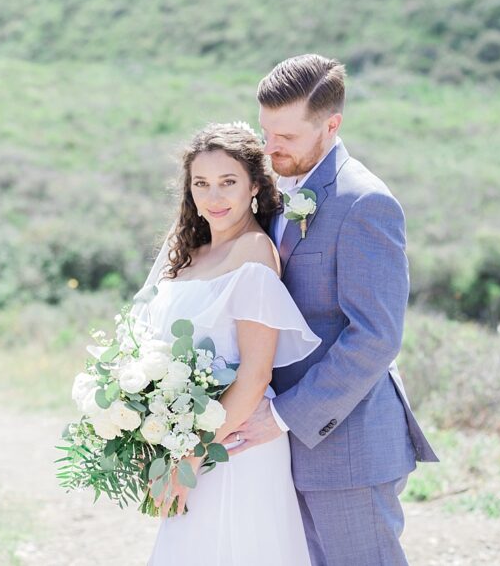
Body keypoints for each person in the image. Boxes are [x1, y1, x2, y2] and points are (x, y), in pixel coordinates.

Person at [224, 54, 439, 566]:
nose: (270, 148)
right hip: (281, 450)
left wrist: (281, 414)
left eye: (287, 137)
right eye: (265, 131)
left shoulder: (366, 204)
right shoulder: (273, 188)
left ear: (331, 125)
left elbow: (375, 338)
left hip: (348, 447)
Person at [144, 122, 320, 565]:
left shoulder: (255, 252)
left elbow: (256, 376)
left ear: (255, 187)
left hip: (234, 446)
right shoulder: (187, 253)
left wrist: (190, 458)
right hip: (187, 442)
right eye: (201, 183)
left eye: (228, 182)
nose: (214, 197)